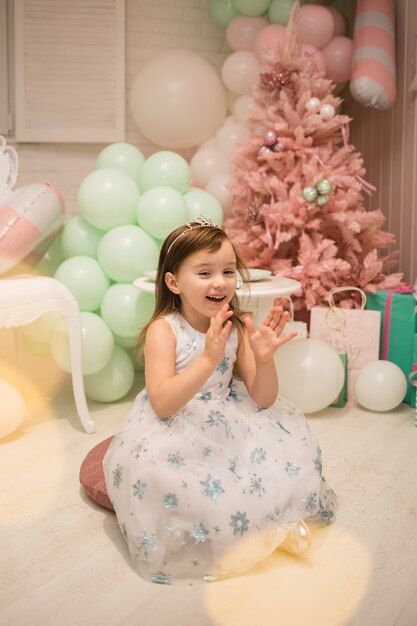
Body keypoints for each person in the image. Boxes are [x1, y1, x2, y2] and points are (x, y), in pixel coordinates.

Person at [103, 216, 337, 585]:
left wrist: (263, 358)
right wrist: (208, 359)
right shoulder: (163, 330)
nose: (220, 282)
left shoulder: (237, 325)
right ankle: (231, 535)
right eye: (205, 272)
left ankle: (270, 529)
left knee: (269, 470)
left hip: (230, 420)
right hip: (175, 424)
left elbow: (263, 399)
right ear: (173, 282)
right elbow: (163, 404)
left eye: (228, 271)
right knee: (161, 476)